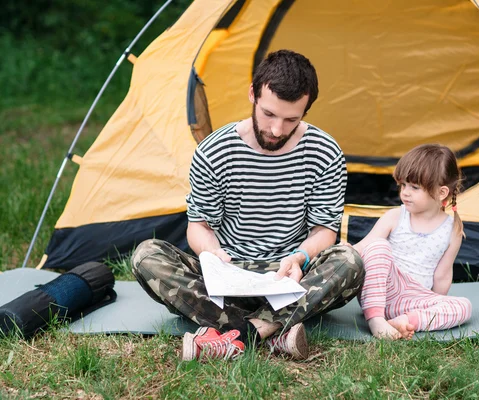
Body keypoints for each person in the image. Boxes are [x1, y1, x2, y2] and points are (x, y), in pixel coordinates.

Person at [131, 50, 364, 361]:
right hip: (228, 274)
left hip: (291, 277)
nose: (277, 130)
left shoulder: (325, 151)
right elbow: (199, 226)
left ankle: (237, 334)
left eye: (291, 119)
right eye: (269, 114)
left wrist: (300, 257)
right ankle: (273, 330)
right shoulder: (215, 150)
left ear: (307, 110)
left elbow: (324, 231)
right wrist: (212, 255)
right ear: (253, 94)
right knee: (147, 256)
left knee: (350, 260)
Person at [351, 144, 472, 340]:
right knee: (378, 247)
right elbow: (366, 246)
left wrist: (435, 302)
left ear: (441, 193)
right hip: (382, 290)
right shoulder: (395, 216)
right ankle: (375, 319)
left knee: (463, 306)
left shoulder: (453, 230)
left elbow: (442, 275)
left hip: (415, 299)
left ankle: (407, 321)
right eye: (403, 185)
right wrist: (346, 250)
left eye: (414, 187)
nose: (405, 192)